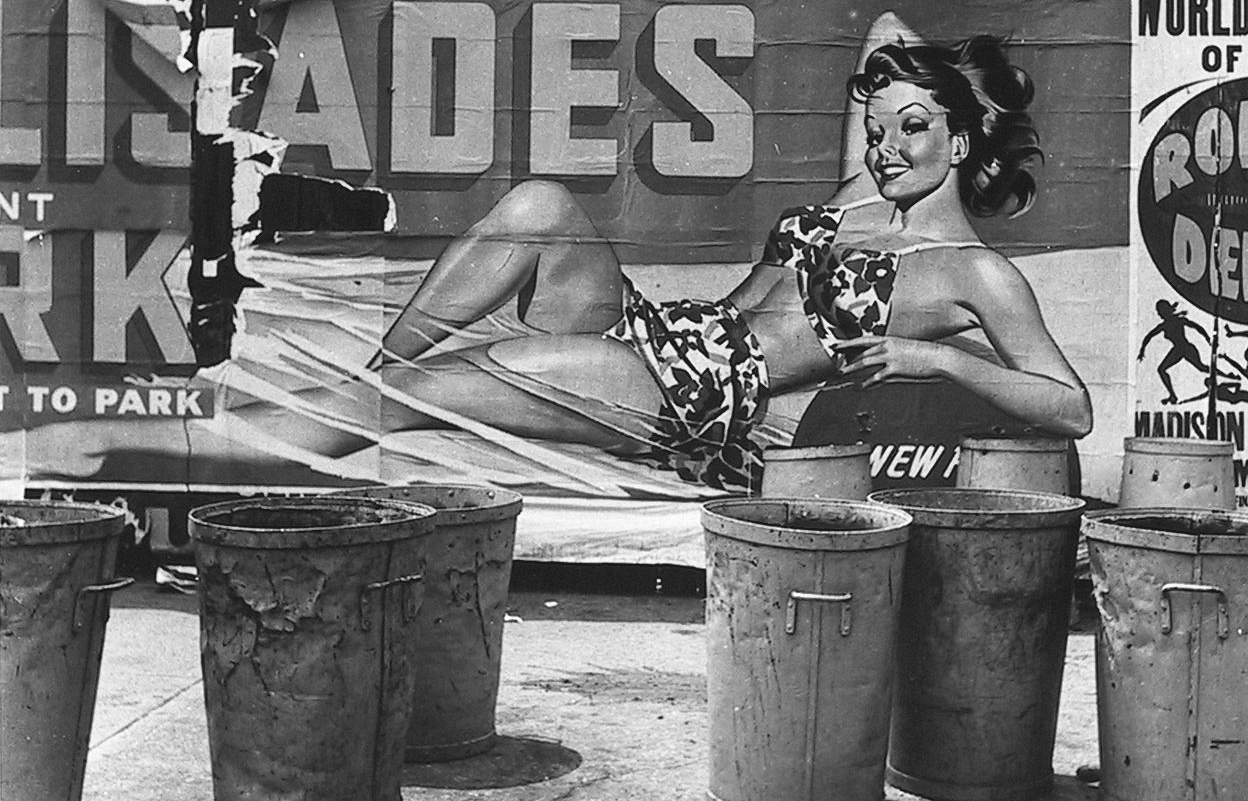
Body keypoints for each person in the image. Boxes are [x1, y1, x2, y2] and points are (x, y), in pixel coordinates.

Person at [246, 30, 1088, 493]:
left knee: (427, 392)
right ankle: (362, 379)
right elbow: (885, 34)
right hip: (672, 333)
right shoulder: (861, 195)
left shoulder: (973, 273)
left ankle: (228, 445)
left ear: (963, 137)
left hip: (698, 397)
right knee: (541, 203)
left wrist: (932, 355)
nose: (888, 146)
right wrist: (919, 84)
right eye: (880, 129)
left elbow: (1069, 407)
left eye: (914, 128)